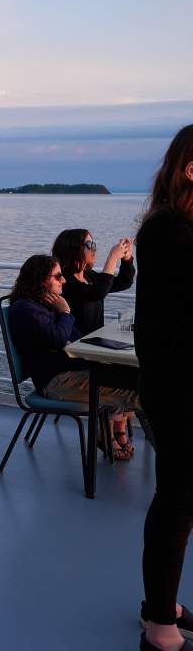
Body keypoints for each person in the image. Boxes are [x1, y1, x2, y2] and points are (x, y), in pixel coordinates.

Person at [135, 124, 193, 651]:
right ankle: (159, 625)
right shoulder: (171, 231)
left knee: (178, 500)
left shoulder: (171, 227)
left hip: (173, 383)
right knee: (177, 501)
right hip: (179, 390)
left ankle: (163, 603)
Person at [8, 254, 139, 460]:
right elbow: (60, 338)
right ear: (41, 280)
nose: (64, 280)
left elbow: (74, 337)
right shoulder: (27, 310)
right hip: (56, 382)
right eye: (58, 276)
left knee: (131, 374)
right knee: (139, 393)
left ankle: (111, 432)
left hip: (68, 372)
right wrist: (66, 312)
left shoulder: (44, 304)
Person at [51, 228, 135, 335]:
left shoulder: (89, 276)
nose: (94, 249)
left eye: (93, 245)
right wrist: (113, 257)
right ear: (75, 249)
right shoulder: (63, 280)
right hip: (74, 343)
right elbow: (97, 293)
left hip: (94, 340)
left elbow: (124, 282)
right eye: (89, 245)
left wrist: (127, 259)